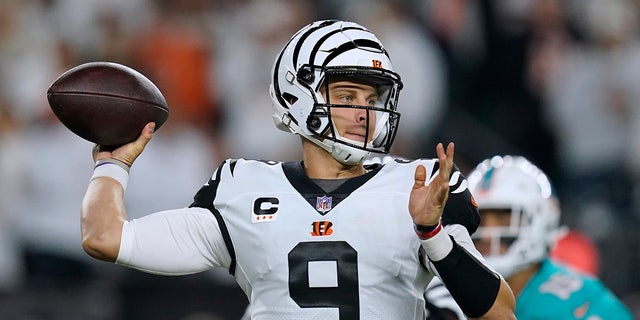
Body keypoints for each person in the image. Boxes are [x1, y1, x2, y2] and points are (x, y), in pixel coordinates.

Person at [79, 20, 516, 319]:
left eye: (371, 100)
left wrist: (431, 233)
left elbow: (498, 313)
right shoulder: (240, 190)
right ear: (295, 95)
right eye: (347, 96)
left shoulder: (415, 187)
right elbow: (106, 238)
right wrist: (113, 165)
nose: (363, 114)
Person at [466, 155, 633, 319]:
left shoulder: (580, 303)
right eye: (480, 220)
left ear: (540, 221)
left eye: (505, 219)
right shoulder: (447, 290)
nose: (487, 235)